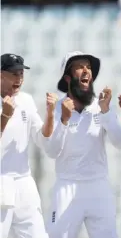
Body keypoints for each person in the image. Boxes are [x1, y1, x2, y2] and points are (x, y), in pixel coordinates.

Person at [45, 51, 121, 238]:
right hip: (67, 186)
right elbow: (51, 151)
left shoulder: (102, 106)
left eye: (89, 67)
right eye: (80, 67)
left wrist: (106, 112)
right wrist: (64, 121)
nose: (86, 71)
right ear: (68, 77)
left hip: (98, 187)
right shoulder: (57, 108)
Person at [0, 53, 53, 238]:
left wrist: (51, 114)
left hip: (24, 182)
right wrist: (4, 116)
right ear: (0, 75)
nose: (19, 79)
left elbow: (41, 137)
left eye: (21, 74)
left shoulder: (26, 100)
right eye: (14, 74)